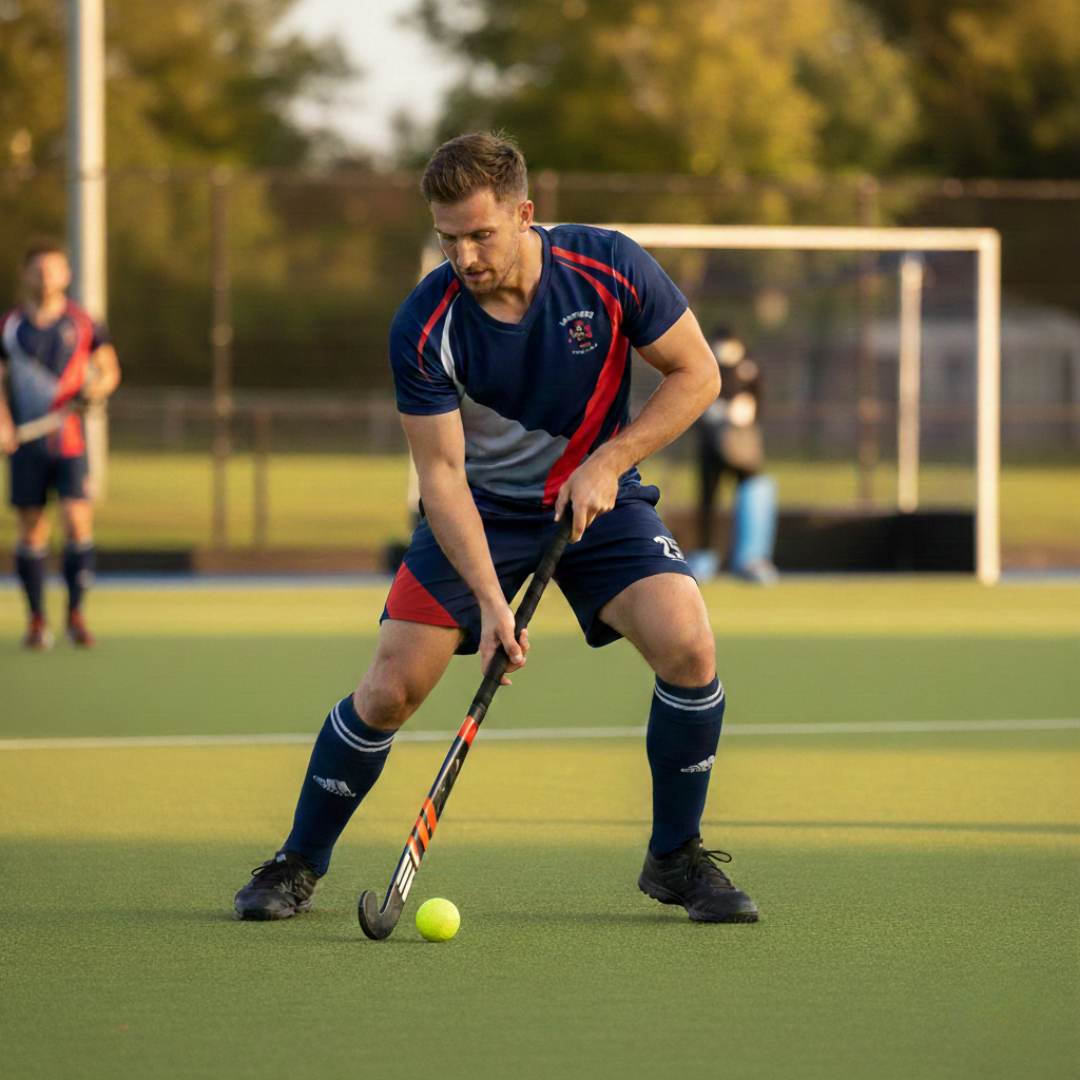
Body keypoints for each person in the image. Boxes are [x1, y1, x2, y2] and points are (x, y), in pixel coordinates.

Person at [233, 134, 759, 925]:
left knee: (689, 643)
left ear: (524, 214)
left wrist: (611, 461)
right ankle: (298, 861)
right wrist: (491, 602)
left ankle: (675, 858)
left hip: (597, 498)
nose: (466, 257)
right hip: (478, 512)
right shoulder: (426, 323)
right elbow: (441, 478)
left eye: (481, 234)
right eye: (448, 239)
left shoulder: (609, 266)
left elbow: (699, 374)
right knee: (391, 687)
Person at [0, 239, 121, 649]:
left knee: (76, 521)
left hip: (69, 442)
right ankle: (36, 620)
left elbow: (109, 370)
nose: (46, 276)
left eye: (54, 269)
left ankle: (76, 615)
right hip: (26, 444)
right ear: (26, 275)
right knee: (32, 529)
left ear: (67, 275)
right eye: (38, 269)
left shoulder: (84, 324)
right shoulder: (10, 326)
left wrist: (97, 389)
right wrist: (3, 424)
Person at [687, 327, 778, 585]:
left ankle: (753, 558)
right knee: (708, 501)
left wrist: (748, 411)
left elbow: (759, 403)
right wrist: (714, 414)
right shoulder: (706, 366)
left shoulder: (750, 366)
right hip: (711, 446)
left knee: (751, 495)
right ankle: (705, 557)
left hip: (743, 446)